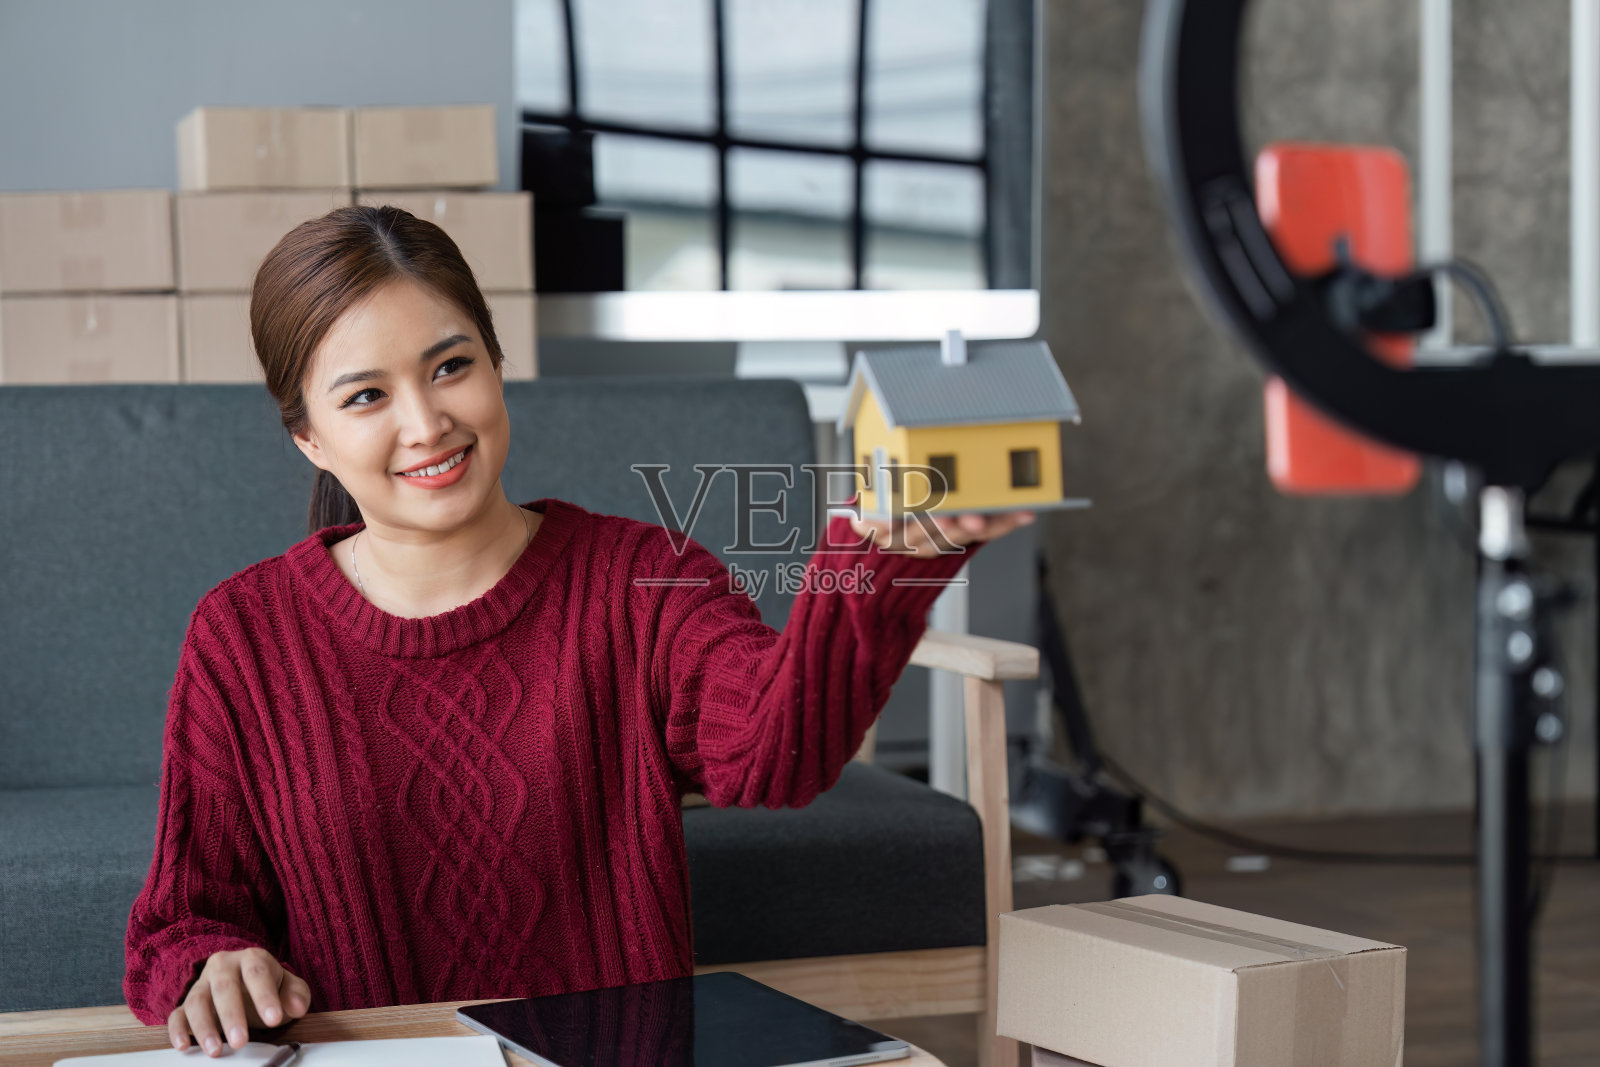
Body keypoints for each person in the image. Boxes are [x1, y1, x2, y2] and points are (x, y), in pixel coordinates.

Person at [123, 205, 1035, 1056]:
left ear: (497, 363)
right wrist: (213, 965)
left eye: (451, 365)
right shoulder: (242, 637)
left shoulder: (643, 582)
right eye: (366, 396)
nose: (427, 422)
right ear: (308, 437)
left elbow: (776, 751)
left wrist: (880, 557)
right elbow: (185, 920)